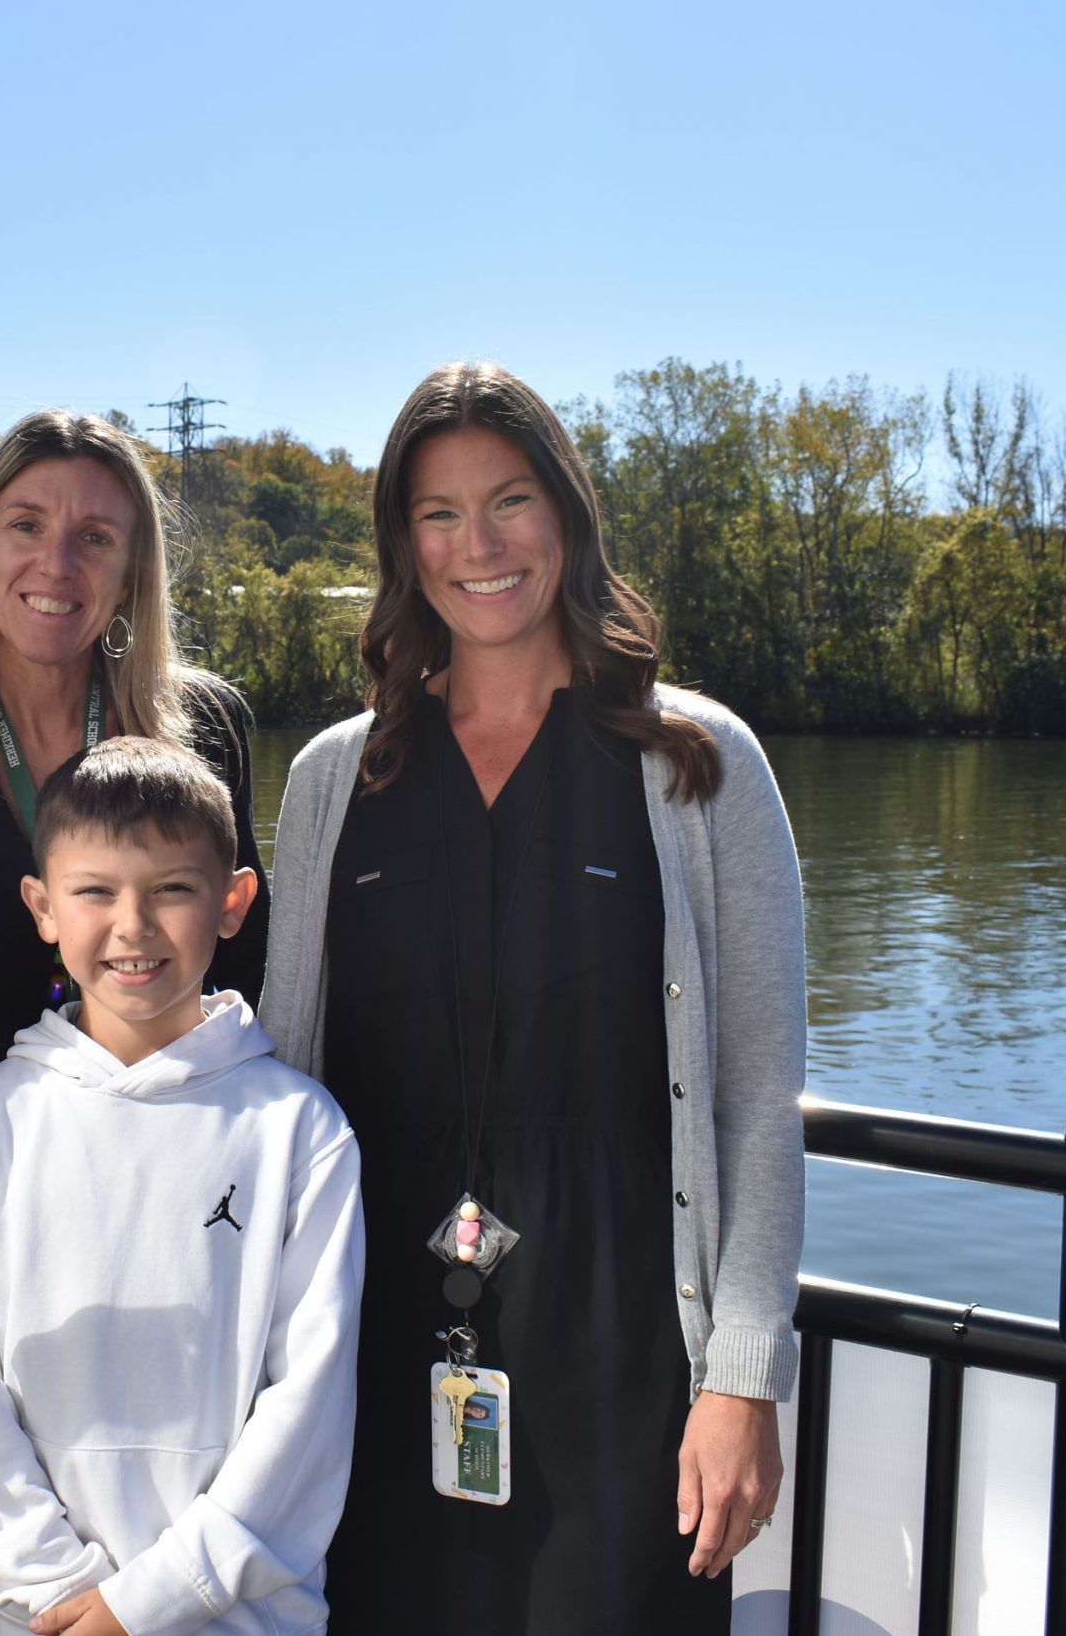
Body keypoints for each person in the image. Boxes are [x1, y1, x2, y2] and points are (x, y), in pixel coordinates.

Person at [258, 361, 805, 1629]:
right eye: (438, 514)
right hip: (375, 1347)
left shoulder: (699, 764)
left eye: (509, 502)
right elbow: (283, 1077)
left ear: (567, 515)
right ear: (402, 545)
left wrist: (740, 1376)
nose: (479, 546)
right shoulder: (339, 778)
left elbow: (756, 1096)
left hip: (623, 1347)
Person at [0, 409, 268, 1631]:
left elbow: (247, 968)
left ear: (134, 570)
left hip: (175, 1250)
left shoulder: (203, 732)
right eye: (24, 527)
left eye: (95, 538)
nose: (55, 565)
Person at [0, 736, 364, 1636]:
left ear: (234, 901)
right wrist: (55, 1594)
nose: (133, 925)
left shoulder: (300, 1131)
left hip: (245, 1619)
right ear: (41, 906)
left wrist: (148, 1601)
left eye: (172, 889)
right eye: (95, 891)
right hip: (48, 1619)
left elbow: (308, 1406)